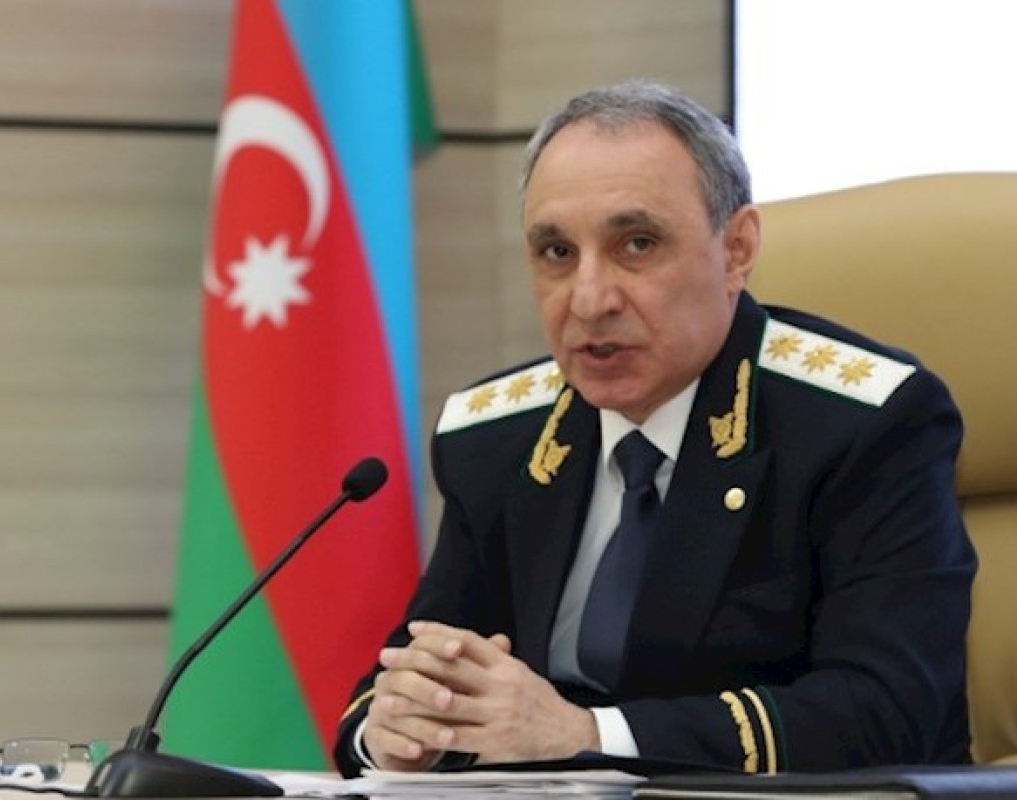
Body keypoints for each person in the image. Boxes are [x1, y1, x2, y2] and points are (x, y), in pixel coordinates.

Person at [333, 81, 976, 776]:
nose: (590, 300)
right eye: (557, 253)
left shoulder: (865, 425)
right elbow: (420, 666)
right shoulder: (495, 439)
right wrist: (396, 731)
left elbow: (888, 711)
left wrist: (587, 735)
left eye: (636, 244)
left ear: (737, 250)